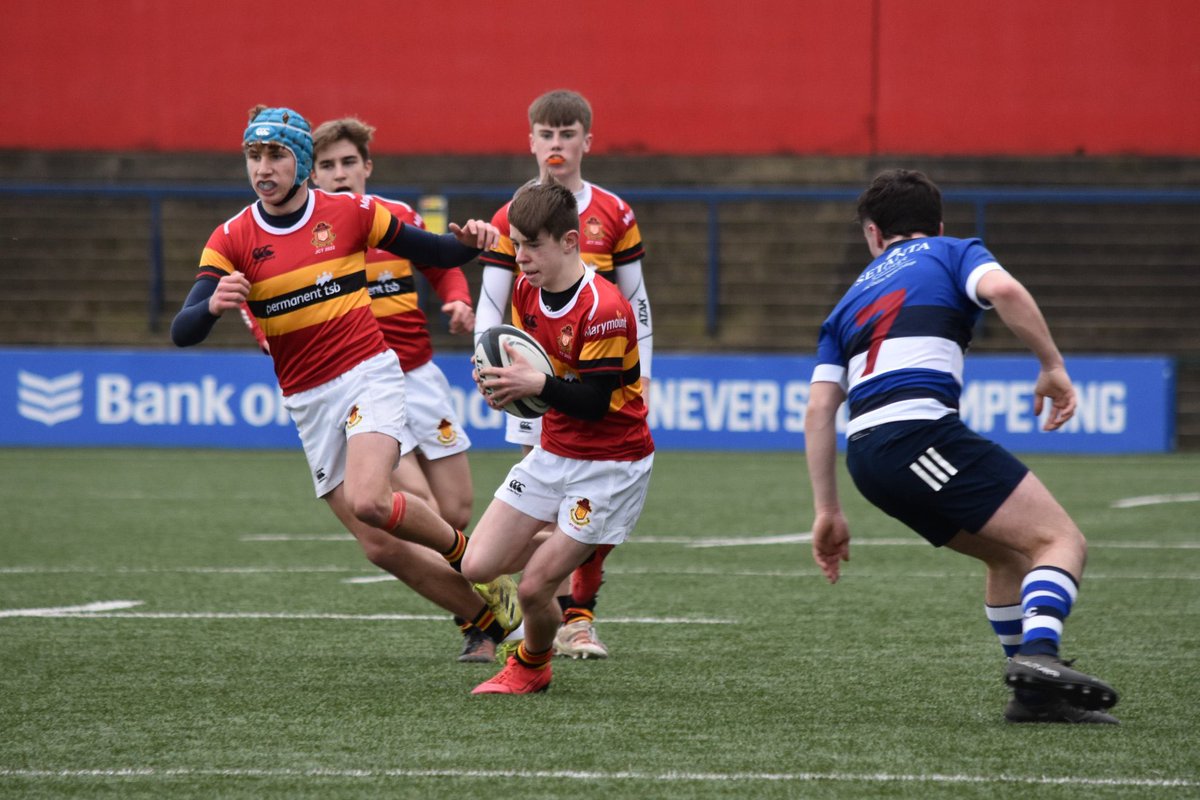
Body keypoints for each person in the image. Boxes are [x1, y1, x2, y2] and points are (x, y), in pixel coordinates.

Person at [171, 105, 521, 661]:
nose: (263, 167)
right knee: (379, 546)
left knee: (371, 501)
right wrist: (211, 304)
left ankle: (467, 553)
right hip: (308, 402)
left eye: (276, 155)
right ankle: (486, 618)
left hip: (367, 375)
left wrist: (473, 241)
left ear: (301, 163)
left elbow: (435, 252)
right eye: (254, 156)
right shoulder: (232, 237)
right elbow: (182, 331)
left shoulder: (352, 212)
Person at [805, 168, 1119, 724]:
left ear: (873, 234)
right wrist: (1052, 366)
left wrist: (828, 511)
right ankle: (1041, 657)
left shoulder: (846, 303)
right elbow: (1002, 290)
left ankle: (1034, 698)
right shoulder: (953, 251)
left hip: (868, 461)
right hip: (917, 435)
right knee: (1060, 539)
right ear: (938, 224)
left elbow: (819, 409)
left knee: (1009, 555)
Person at [474, 89, 653, 659]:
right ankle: (547, 598)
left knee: (545, 564)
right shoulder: (516, 230)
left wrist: (644, 370)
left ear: (585, 141)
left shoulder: (613, 217)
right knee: (484, 562)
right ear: (531, 141)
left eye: (567, 133)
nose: (556, 144)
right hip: (546, 408)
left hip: (601, 423)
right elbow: (495, 308)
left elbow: (636, 302)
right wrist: (489, 368)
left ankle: (567, 623)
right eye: (546, 134)